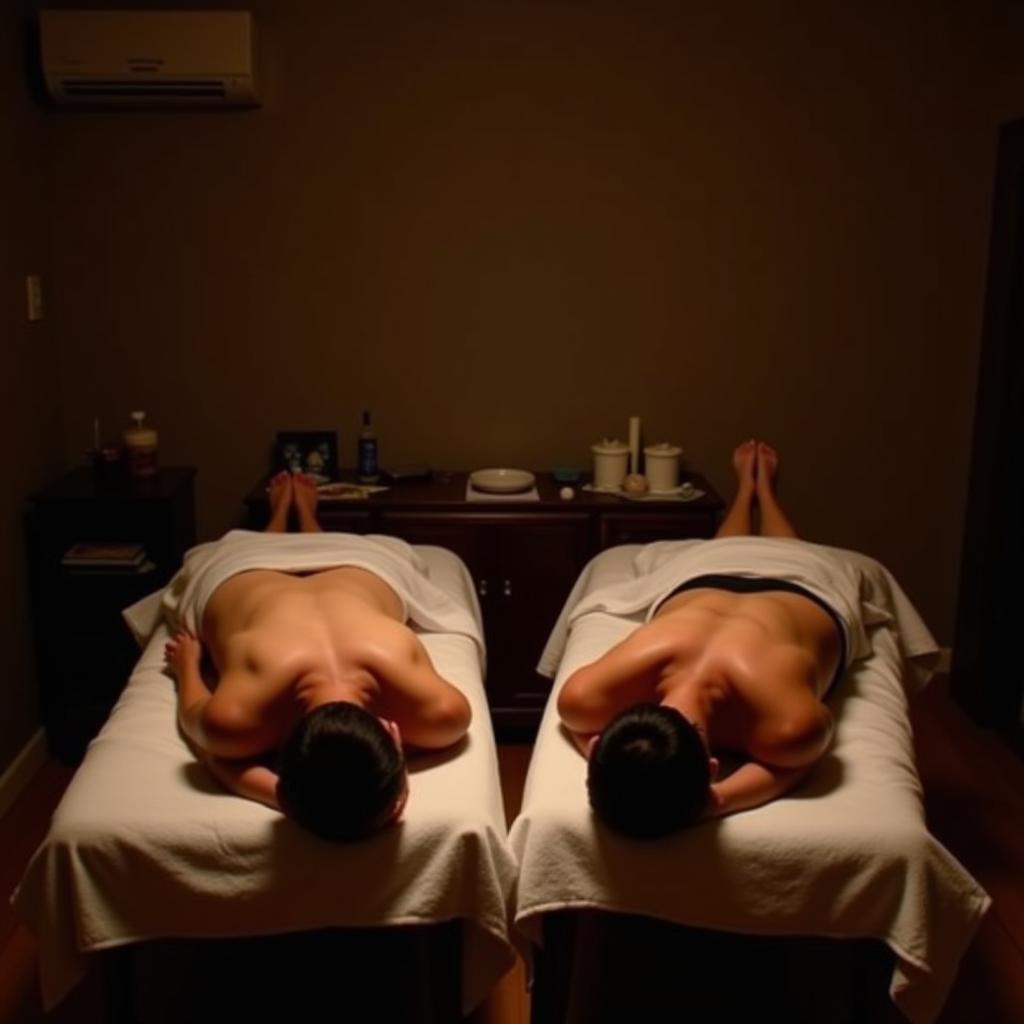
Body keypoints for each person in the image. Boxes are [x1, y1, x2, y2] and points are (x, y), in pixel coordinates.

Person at [557, 440, 843, 838]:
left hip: (797, 587)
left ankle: (761, 494)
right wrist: (718, 801)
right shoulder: (583, 698)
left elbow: (798, 761)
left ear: (712, 769)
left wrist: (719, 798)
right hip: (714, 584)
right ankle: (749, 491)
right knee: (737, 550)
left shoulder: (791, 729)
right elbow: (797, 765)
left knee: (772, 552)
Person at [164, 471, 472, 841]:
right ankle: (292, 517)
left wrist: (187, 669)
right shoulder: (233, 721)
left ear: (393, 734)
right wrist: (188, 669)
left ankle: (290, 518)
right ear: (396, 734)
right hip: (320, 568)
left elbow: (211, 751)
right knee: (272, 550)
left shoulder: (442, 717)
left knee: (266, 548)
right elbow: (210, 745)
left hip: (310, 567)